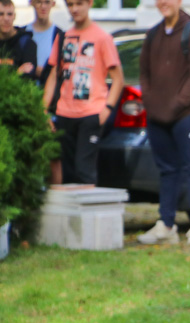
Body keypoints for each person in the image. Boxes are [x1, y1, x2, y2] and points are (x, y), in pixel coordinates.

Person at [136, 0, 190, 247]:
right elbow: (144, 74)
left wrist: (175, 104)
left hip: (188, 113)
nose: (163, 3)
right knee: (167, 170)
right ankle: (166, 224)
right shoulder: (153, 34)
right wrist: (151, 101)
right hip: (158, 116)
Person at [43, 0, 123, 185]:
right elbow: (54, 75)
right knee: (68, 173)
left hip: (91, 113)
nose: (75, 9)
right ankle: (73, 215)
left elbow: (118, 78)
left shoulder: (102, 38)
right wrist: (43, 110)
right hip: (65, 113)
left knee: (84, 170)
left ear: (89, 4)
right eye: (70, 5)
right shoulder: (63, 37)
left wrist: (106, 109)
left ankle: (88, 214)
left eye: (79, 3)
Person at [25, 0, 61, 86]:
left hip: (48, 92)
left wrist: (45, 72)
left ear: (53, 4)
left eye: (47, 2)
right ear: (31, 3)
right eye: (39, 2)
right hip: (24, 92)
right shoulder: (23, 33)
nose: (43, 6)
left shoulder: (59, 35)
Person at [0, 0, 36, 80]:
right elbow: (21, 74)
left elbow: (28, 77)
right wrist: (17, 72)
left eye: (9, 14)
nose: (6, 18)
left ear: (14, 16)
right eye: (1, 14)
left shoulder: (27, 43)